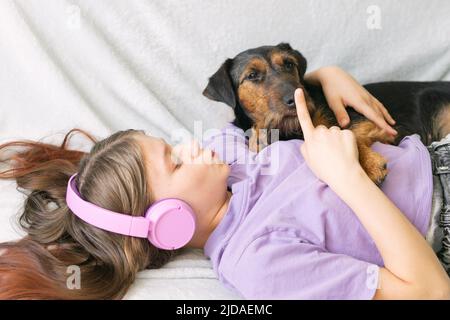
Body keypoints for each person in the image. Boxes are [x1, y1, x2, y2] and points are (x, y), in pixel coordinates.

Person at [0, 67, 449, 300]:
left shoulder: (228, 160)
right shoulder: (258, 261)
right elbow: (429, 291)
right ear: (171, 223)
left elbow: (263, 98)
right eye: (175, 163)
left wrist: (323, 77)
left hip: (434, 149)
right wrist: (348, 179)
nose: (192, 148)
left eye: (173, 145)